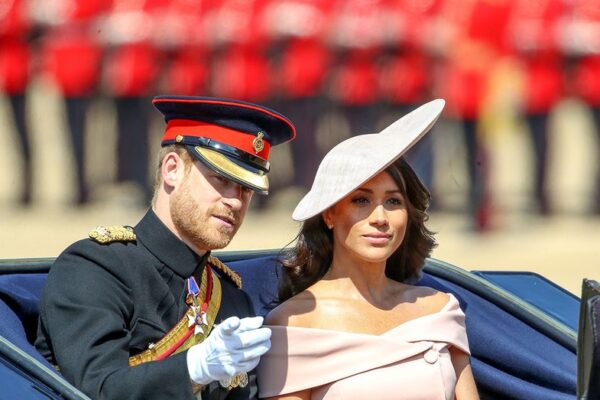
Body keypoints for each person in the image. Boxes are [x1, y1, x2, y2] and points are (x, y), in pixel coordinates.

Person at [35, 95, 297, 400]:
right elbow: (96, 388)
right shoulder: (95, 269)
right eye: (221, 179)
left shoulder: (230, 297)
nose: (236, 202)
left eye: (246, 189)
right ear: (172, 169)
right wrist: (193, 369)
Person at [258, 99, 479, 399]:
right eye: (361, 200)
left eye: (393, 201)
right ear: (329, 214)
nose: (380, 218)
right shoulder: (293, 323)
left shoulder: (439, 308)